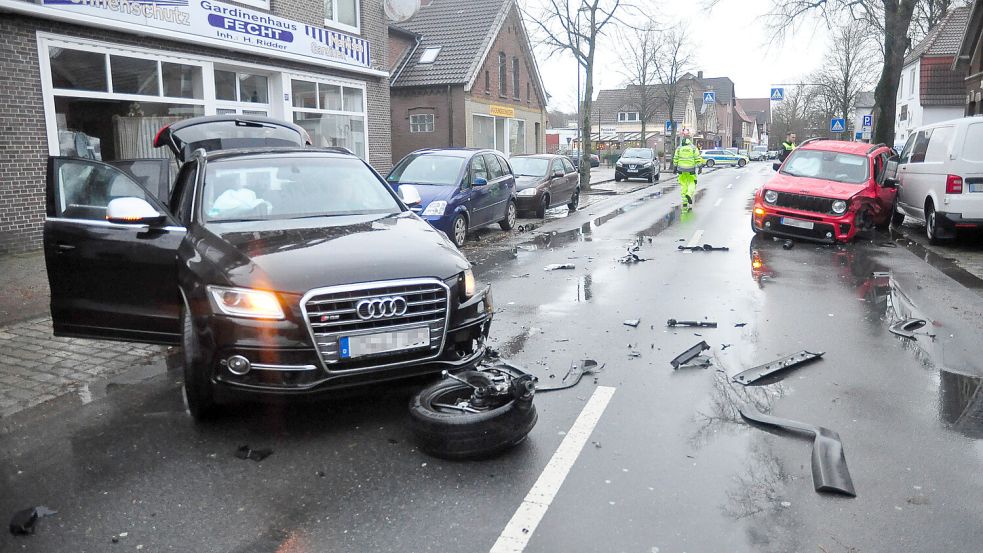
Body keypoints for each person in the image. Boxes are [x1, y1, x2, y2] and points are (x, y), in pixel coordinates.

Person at [673, 137, 704, 211]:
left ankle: (684, 202)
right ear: (689, 142)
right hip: (691, 170)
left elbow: (675, 159)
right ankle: (689, 194)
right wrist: (700, 168)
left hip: (681, 169)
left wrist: (675, 169)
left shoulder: (679, 149)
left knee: (683, 185)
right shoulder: (693, 148)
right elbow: (698, 159)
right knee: (692, 183)